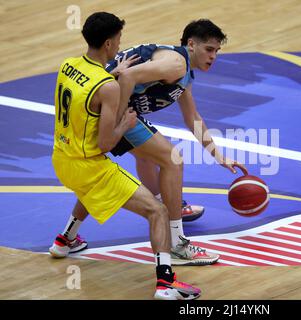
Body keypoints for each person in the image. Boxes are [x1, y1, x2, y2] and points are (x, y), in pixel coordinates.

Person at [50, 18, 247, 266]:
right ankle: (176, 242)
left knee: (114, 172)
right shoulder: (175, 64)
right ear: (191, 44)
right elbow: (128, 77)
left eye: (217, 51)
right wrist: (118, 120)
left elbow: (193, 118)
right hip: (110, 108)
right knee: (172, 160)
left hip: (99, 105)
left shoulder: (183, 73)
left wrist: (219, 156)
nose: (213, 56)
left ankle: (66, 237)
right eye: (209, 49)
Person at [49, 12, 200, 300]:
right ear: (108, 43)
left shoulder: (68, 66)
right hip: (89, 164)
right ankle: (166, 283)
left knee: (92, 190)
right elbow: (106, 143)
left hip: (61, 157)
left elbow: (88, 92)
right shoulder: (108, 87)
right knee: (158, 212)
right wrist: (125, 124)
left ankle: (64, 241)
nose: (120, 45)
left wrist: (115, 73)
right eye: (118, 39)